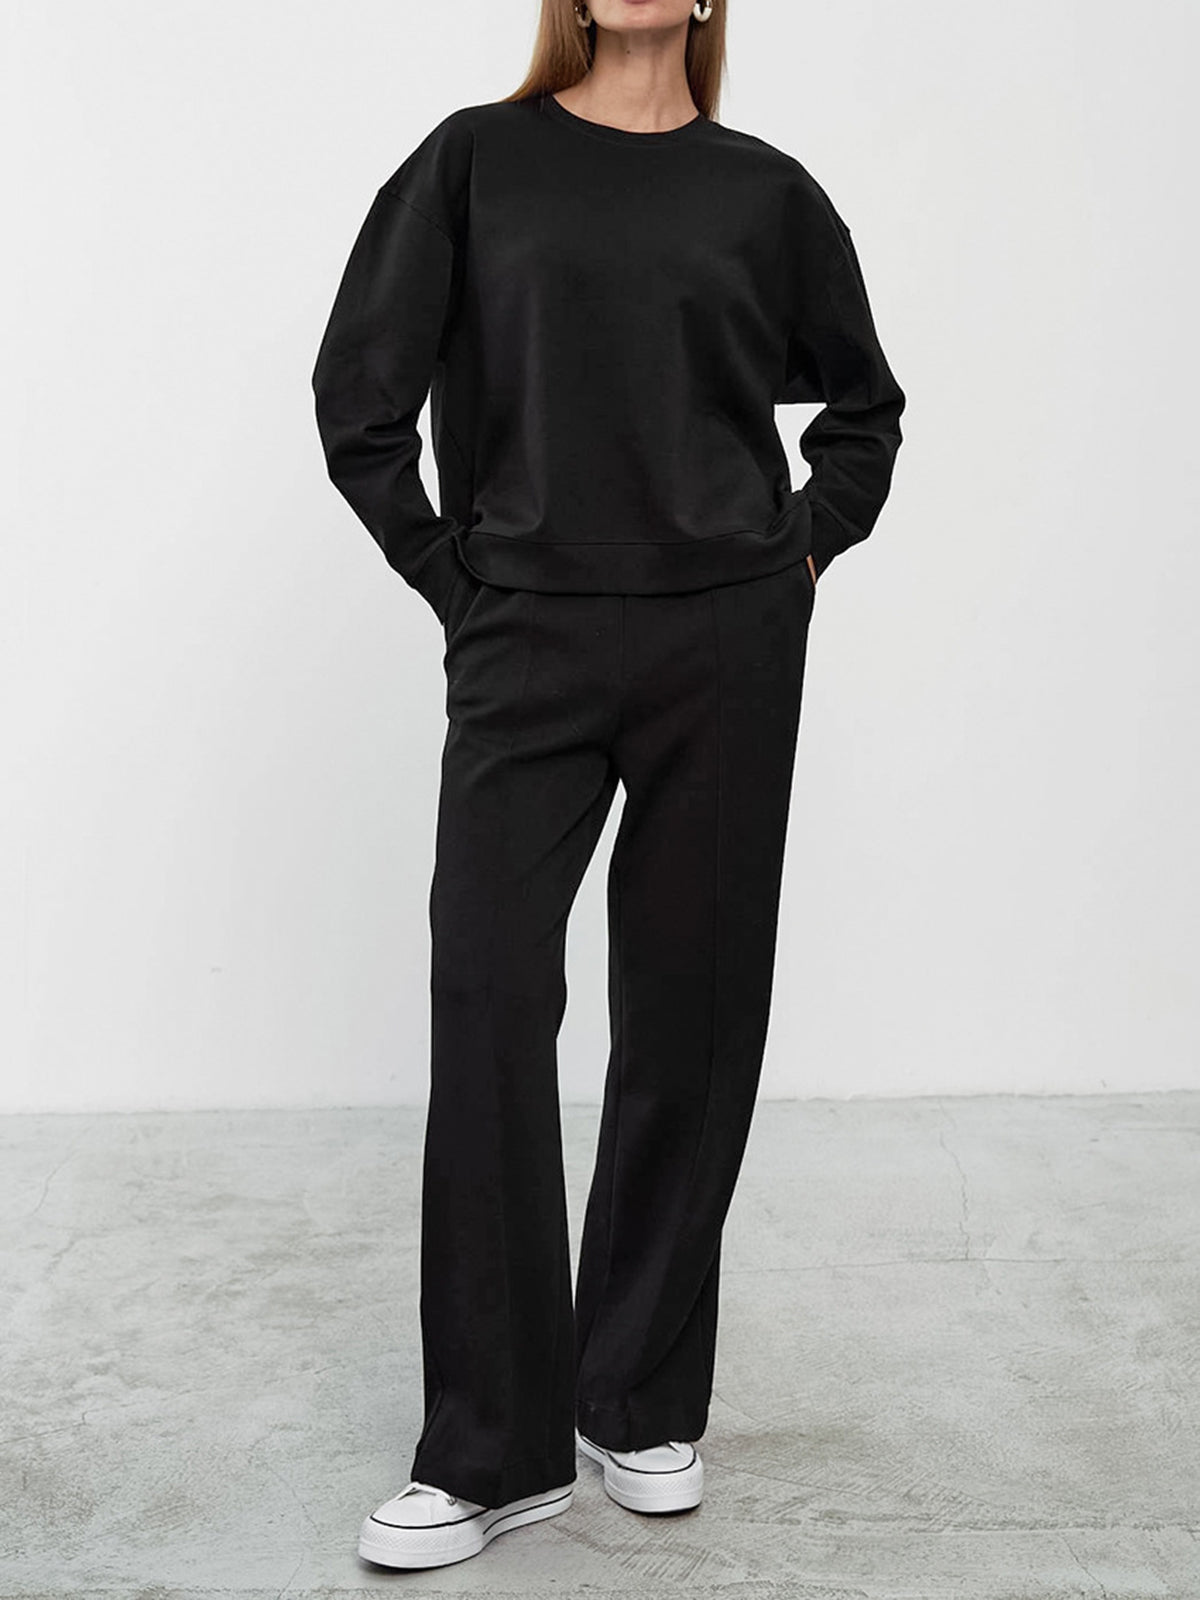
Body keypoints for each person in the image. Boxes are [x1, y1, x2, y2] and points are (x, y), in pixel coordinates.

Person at [311, 0, 904, 1572]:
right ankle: (489, 1450)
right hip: (529, 636)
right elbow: (357, 394)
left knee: (691, 1013)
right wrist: (456, 581)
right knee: (489, 995)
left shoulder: (766, 193)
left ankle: (637, 1393)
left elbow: (867, 413)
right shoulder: (474, 164)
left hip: (726, 642)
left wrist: (795, 557)